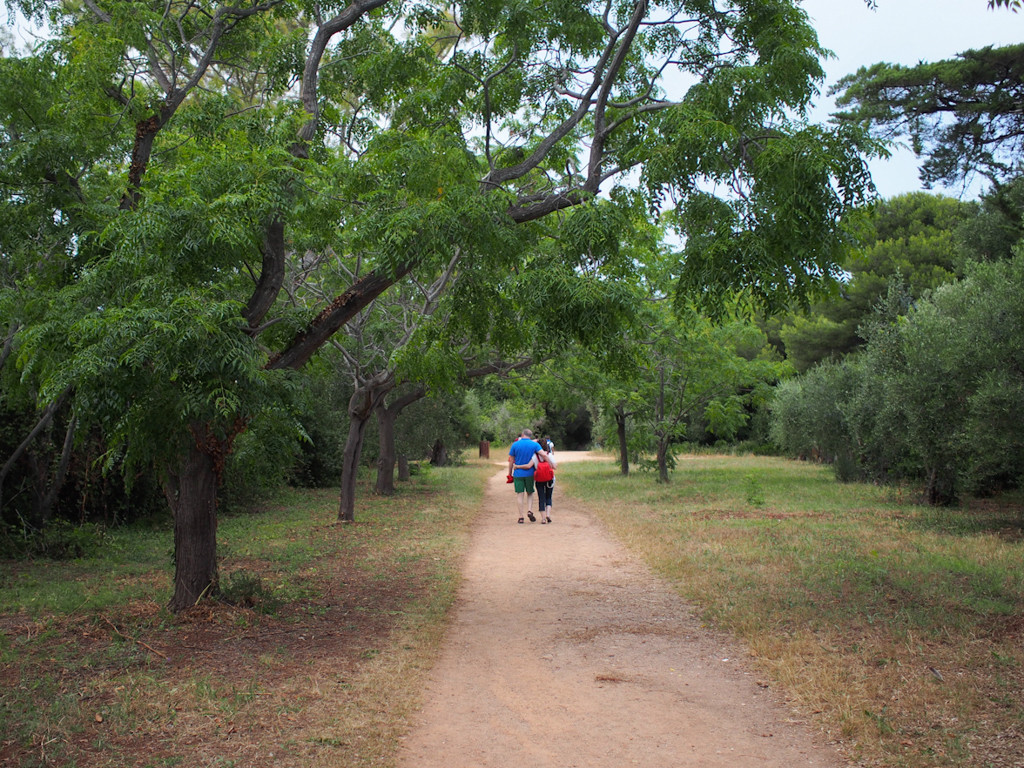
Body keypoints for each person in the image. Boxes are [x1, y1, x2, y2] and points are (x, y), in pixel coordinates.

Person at [507, 428, 548, 524]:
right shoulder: (534, 445)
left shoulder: (515, 444)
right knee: (530, 493)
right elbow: (543, 454)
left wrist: (509, 474)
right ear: (530, 436)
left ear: (522, 434)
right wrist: (550, 464)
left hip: (518, 473)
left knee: (520, 495)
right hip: (530, 473)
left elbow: (511, 460)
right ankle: (529, 510)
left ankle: (520, 516)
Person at [534, 445, 556, 523]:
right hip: (550, 479)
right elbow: (555, 467)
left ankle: (543, 518)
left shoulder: (535, 456)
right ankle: (548, 514)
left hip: (539, 479)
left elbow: (531, 466)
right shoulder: (549, 455)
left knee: (541, 498)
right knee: (548, 497)